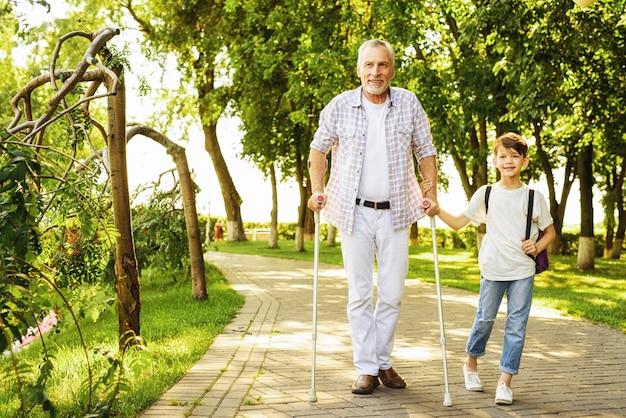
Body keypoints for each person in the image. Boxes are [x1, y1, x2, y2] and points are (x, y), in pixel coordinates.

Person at [307, 39, 439, 395]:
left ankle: (381, 360)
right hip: (354, 212)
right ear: (359, 69)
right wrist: (317, 190)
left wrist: (431, 195)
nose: (375, 72)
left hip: (397, 213)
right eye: (369, 65)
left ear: (391, 69)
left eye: (382, 65)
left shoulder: (409, 102)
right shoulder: (339, 106)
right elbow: (318, 150)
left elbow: (426, 151)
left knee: (392, 293)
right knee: (360, 293)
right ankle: (368, 367)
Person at [429, 132, 556, 405]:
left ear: (525, 160)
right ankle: (471, 365)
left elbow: (549, 232)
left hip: (522, 270)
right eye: (503, 156)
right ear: (494, 161)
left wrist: (537, 247)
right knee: (484, 320)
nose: (508, 161)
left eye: (514, 156)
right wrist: (437, 211)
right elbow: (458, 223)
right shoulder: (486, 193)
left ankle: (504, 382)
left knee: (516, 326)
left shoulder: (533, 196)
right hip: (493, 269)